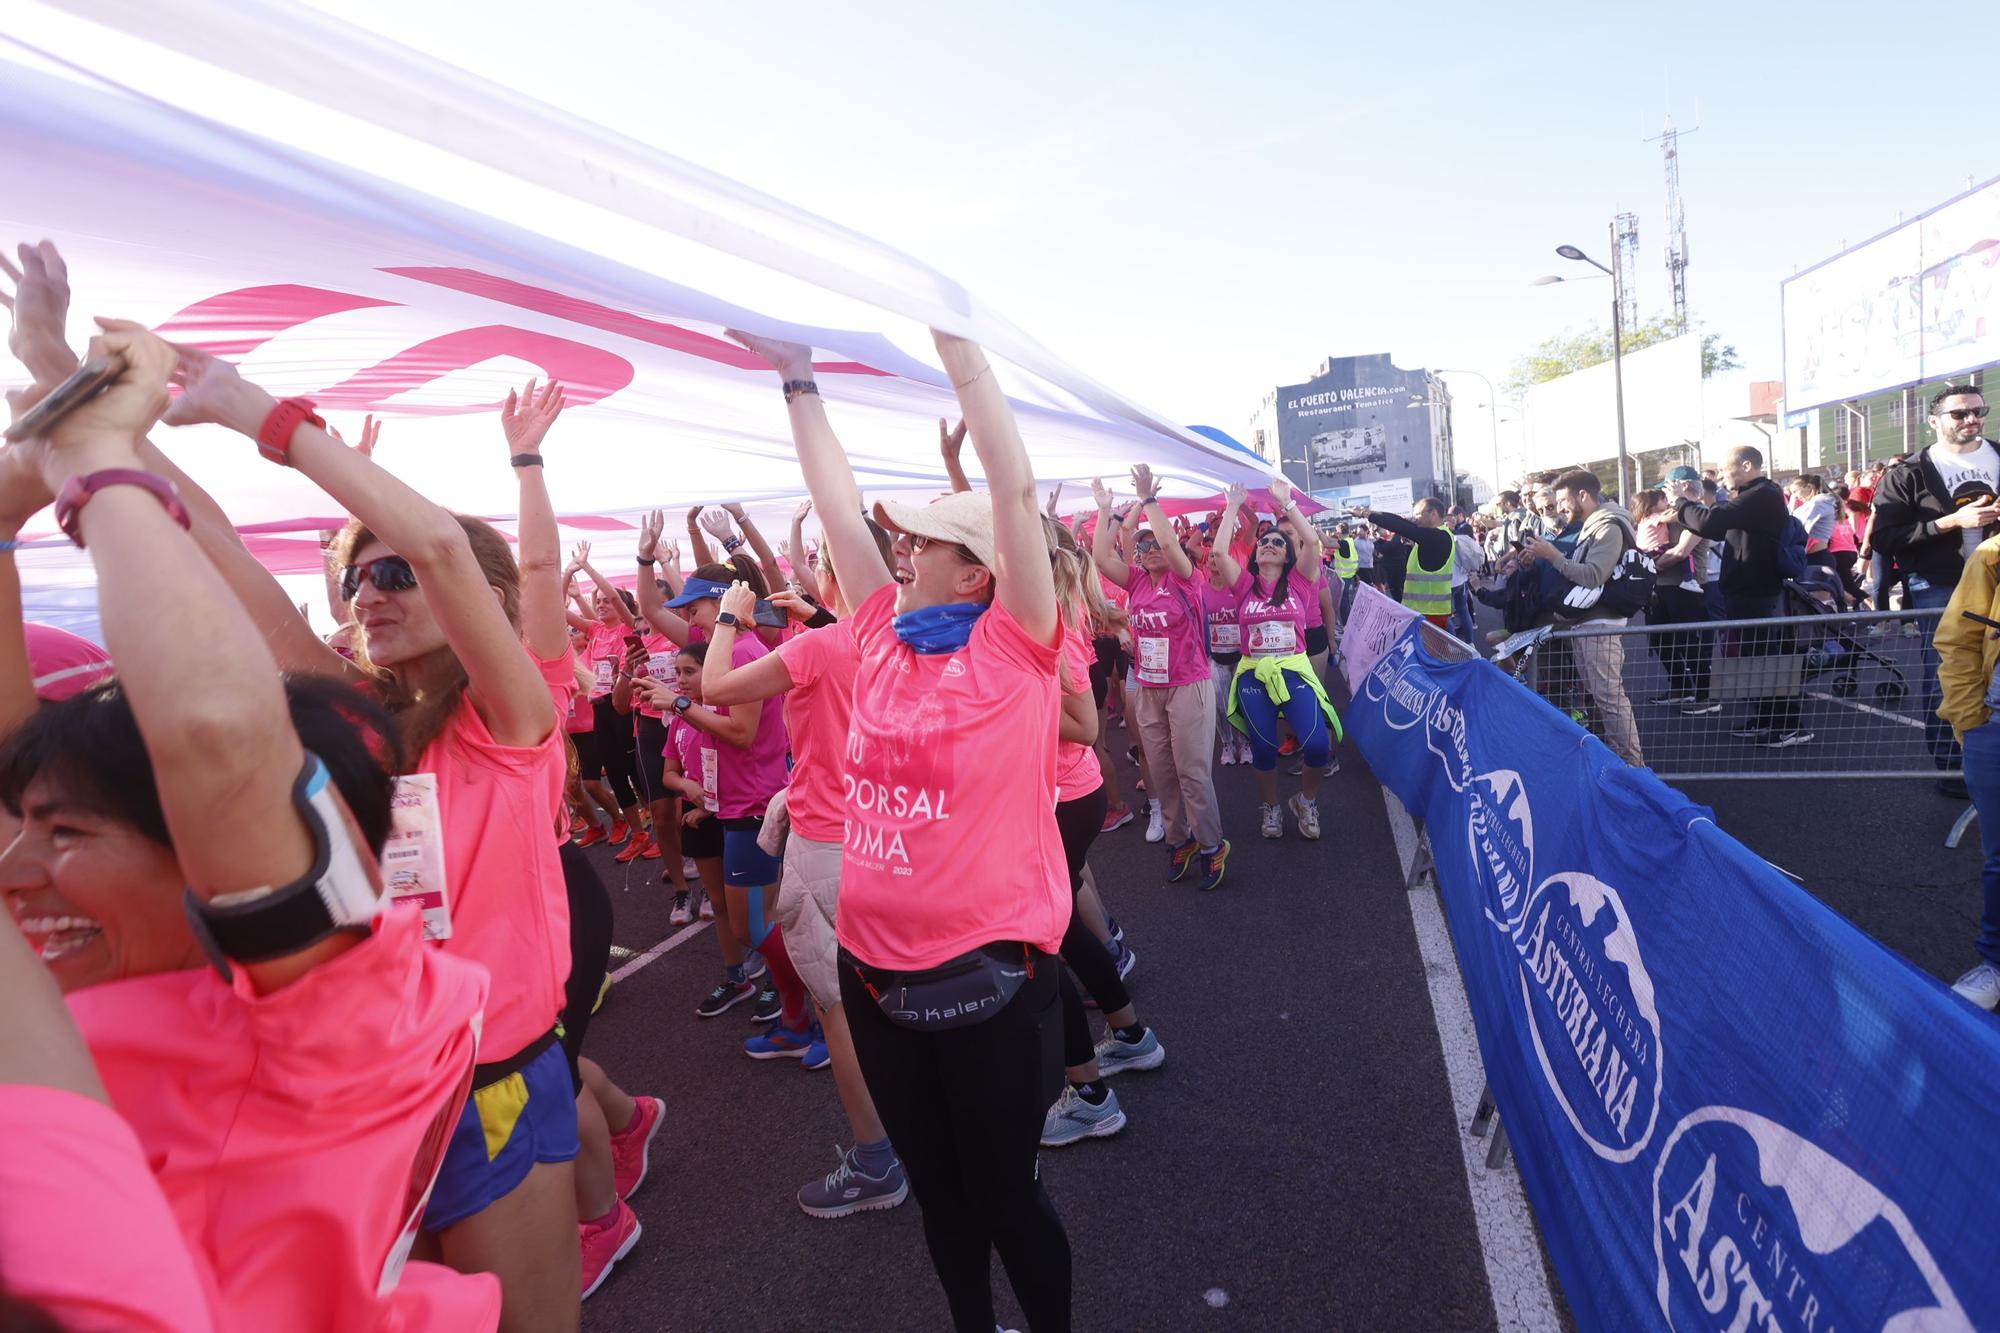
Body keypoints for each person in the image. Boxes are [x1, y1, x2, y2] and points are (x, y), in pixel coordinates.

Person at [0, 318, 500, 1329]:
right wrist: (49, 458)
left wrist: (102, 455)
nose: (14, 869)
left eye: (65, 836)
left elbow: (220, 737)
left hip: (517, 1062)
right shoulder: (87, 978)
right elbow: (216, 552)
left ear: (209, 857)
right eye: (364, 574)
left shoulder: (326, 1018)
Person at [159, 347, 585, 1329]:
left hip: (490, 1083)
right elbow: (215, 547)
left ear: (474, 598)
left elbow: (443, 544)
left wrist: (261, 416)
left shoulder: (511, 717)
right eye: (357, 582)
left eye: (390, 572)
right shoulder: (355, 716)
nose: (368, 595)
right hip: (368, 1095)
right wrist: (108, 430)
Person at [731, 324, 1074, 1333]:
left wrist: (966, 362)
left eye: (923, 541)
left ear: (975, 573)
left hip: (991, 986)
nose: (902, 549)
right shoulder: (877, 631)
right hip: (875, 974)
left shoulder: (1016, 653)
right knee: (941, 1198)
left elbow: (1013, 498)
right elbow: (840, 508)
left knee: (1007, 1196)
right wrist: (796, 379)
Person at [692, 509, 914, 1219]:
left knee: (839, 1009)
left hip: (826, 844)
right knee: (898, 989)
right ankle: (923, 1121)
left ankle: (877, 1160)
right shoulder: (898, 638)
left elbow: (715, 688)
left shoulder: (823, 646)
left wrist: (727, 619)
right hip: (889, 834)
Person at [1091, 468, 1229, 891]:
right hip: (1149, 689)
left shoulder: (1188, 581)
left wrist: (1148, 502)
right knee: (1162, 771)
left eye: (1157, 545)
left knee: (1191, 771)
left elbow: (1170, 541)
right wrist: (1105, 512)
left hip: (1188, 686)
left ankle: (1211, 845)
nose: (1152, 549)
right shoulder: (1136, 583)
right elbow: (1099, 558)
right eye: (1144, 545)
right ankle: (1178, 840)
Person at [1870, 384, 2000, 796]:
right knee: (1947, 673)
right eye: (1959, 414)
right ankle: (1954, 767)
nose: (1971, 420)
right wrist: (1951, 522)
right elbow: (1885, 537)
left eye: (1978, 411)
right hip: (1941, 584)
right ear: (1935, 421)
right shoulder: (1908, 472)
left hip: (1996, 581)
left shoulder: (1998, 455)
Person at [1210, 480, 1343, 839]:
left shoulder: (1300, 581)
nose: (1269, 544)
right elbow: (1220, 554)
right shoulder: (1244, 586)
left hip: (1294, 670)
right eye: (1264, 542)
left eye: (1277, 543)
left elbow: (1312, 542)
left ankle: (1306, 800)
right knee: (1264, 748)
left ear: (1287, 556)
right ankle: (1270, 807)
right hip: (1255, 674)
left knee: (1317, 746)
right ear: (1255, 555)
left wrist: (1286, 504)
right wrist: (1233, 508)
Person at [1670, 446, 1809, 750]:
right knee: (1750, 659)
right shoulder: (1752, 495)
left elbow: (1711, 524)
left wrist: (1681, 503)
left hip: (1758, 589)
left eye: (1723, 468)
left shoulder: (1764, 494)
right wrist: (1689, 506)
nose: (1720, 475)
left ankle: (1789, 725)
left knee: (1767, 659)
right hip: (1743, 588)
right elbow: (1718, 527)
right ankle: (1765, 717)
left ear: (1747, 465)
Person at [1521, 470, 1647, 766]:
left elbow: (1592, 575)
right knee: (1603, 697)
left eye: (1562, 500)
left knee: (1609, 697)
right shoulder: (1593, 525)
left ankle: (1634, 767)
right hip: (1588, 622)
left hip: (1599, 624)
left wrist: (1553, 555)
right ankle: (1623, 761)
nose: (1560, 507)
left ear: (1583, 495)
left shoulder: (1607, 527)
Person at [1933, 532, 2000, 1012]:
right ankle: (1996, 963)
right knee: (1999, 860)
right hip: (1995, 727)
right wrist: (1971, 722)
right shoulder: (1993, 552)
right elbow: (1958, 639)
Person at [1363, 496, 1458, 629]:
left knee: (1430, 649)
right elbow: (1401, 522)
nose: (1415, 519)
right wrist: (1369, 512)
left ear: (1434, 514)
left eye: (1418, 514)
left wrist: (1366, 514)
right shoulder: (1435, 535)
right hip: (1424, 611)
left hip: (1430, 612)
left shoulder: (1437, 536)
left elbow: (1401, 526)